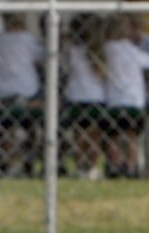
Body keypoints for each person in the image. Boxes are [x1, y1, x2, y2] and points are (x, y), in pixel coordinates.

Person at [103, 14, 149, 177]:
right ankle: (130, 166)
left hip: (114, 101)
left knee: (113, 135)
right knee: (131, 135)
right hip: (134, 101)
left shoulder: (106, 49)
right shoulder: (133, 50)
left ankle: (115, 165)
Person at [0, 13, 45, 175]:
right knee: (31, 127)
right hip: (27, 92)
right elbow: (42, 56)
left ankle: (6, 161)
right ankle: (29, 159)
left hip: (3, 93)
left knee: (5, 127)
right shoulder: (26, 39)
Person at [63, 14, 107, 179]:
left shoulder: (72, 51)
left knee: (80, 135)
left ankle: (81, 165)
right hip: (96, 98)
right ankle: (92, 166)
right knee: (93, 135)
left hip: (76, 97)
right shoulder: (99, 51)